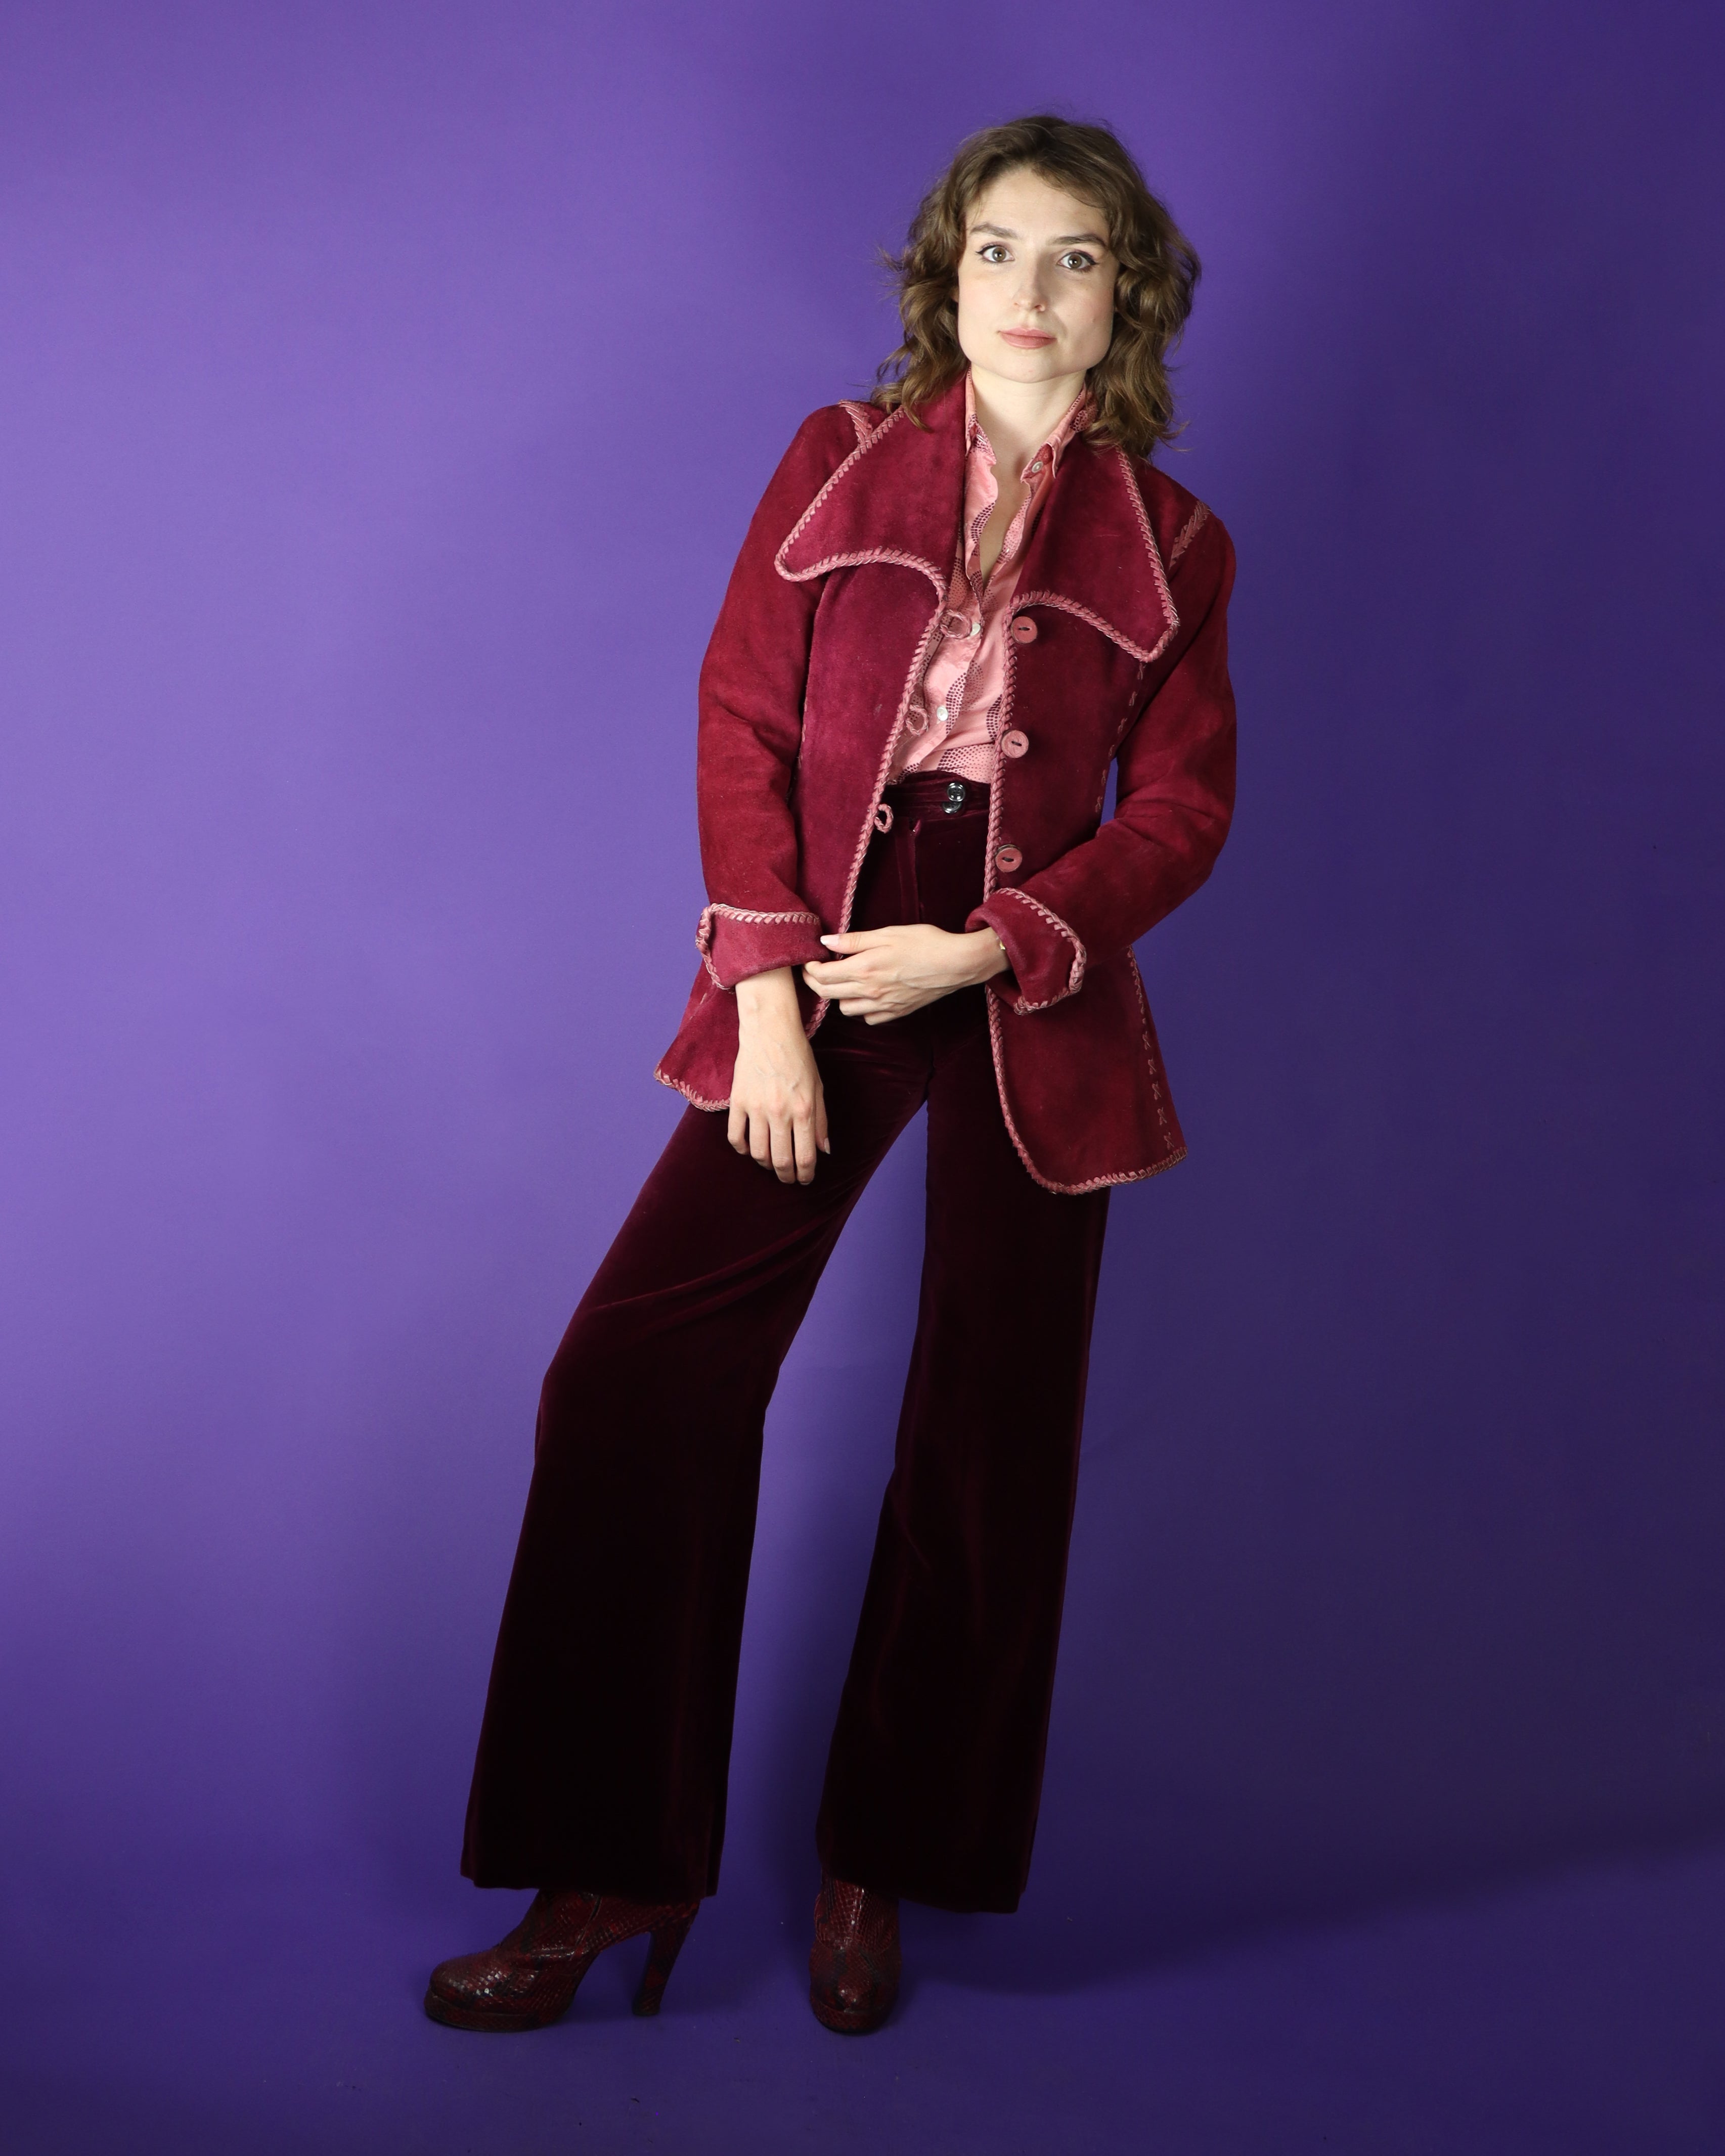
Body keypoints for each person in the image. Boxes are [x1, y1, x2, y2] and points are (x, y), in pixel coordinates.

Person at [425, 113, 1236, 2037]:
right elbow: (741, 716)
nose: (1028, 291)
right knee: (631, 1377)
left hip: (1023, 981)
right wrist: (771, 998)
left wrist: (1005, 939)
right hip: (829, 954)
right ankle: (612, 1862)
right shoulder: (837, 457)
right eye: (997, 250)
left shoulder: (1179, 542)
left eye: (1074, 258)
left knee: (987, 1437)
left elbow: (1183, 808)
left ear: (1125, 295)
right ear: (944, 273)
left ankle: (881, 1858)